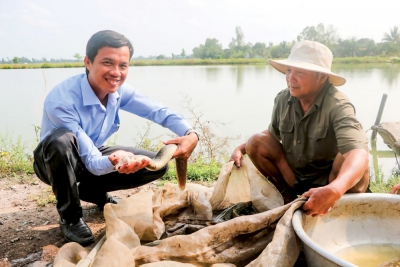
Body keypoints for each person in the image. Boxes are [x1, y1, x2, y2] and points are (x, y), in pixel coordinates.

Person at [33, 30, 198, 245]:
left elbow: (159, 111)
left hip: (90, 154)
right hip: (55, 161)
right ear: (88, 62)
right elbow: (91, 161)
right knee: (61, 141)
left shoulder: (119, 91)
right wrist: (116, 159)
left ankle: (92, 192)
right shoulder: (62, 100)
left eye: (123, 65)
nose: (116, 72)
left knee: (157, 164)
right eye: (107, 63)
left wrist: (190, 133)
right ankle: (71, 217)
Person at [230, 40, 369, 217]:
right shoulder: (283, 99)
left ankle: (335, 205)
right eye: (289, 71)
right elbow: (271, 135)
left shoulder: (338, 104)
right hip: (297, 178)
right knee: (256, 141)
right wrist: (242, 148)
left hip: (330, 180)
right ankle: (287, 197)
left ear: (321, 77)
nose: (290, 78)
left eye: (300, 73)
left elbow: (359, 153)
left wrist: (334, 189)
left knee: (349, 156)